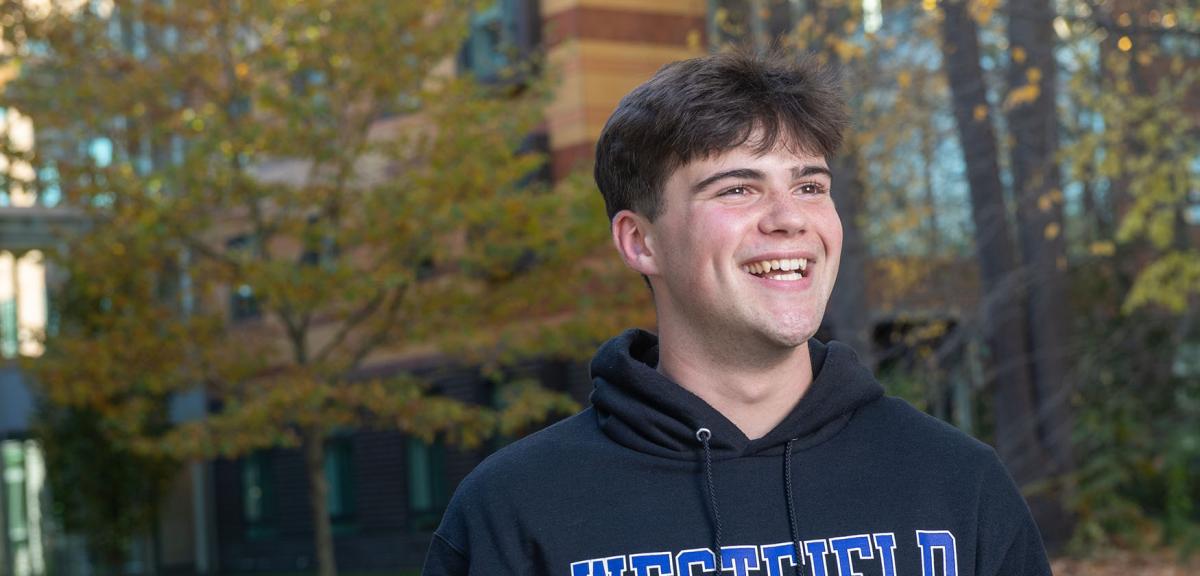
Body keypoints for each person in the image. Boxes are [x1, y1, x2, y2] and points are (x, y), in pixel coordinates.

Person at [422, 51, 1052, 576]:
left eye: (810, 186)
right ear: (640, 242)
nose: (789, 218)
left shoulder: (956, 485)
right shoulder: (515, 512)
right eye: (738, 188)